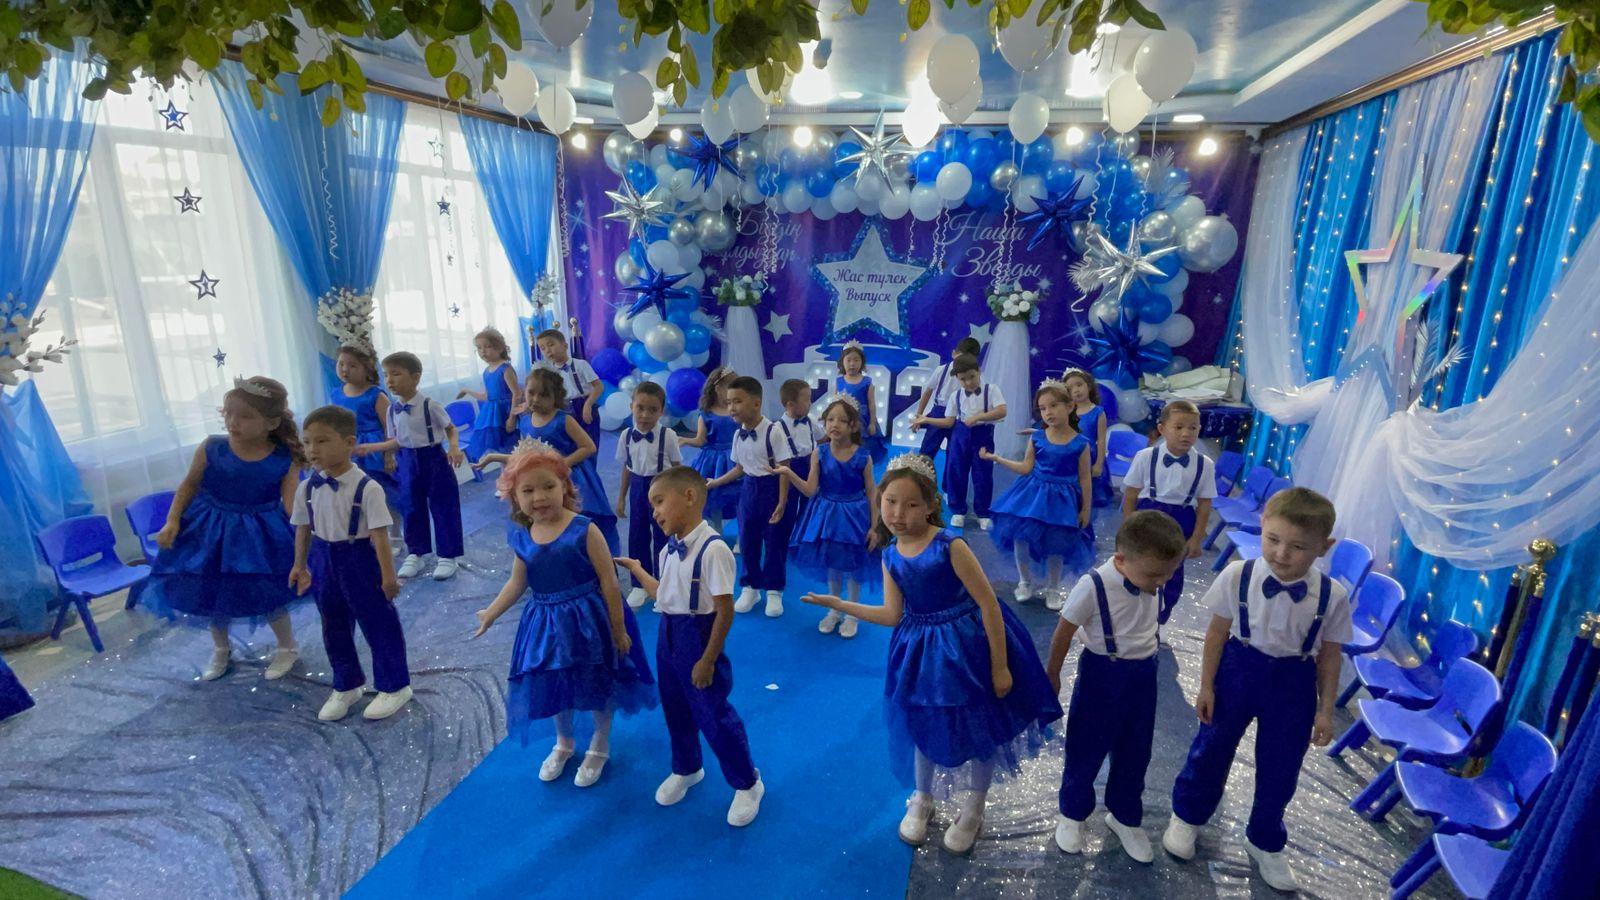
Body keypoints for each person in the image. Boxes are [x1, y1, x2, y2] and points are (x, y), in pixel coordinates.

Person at [801, 454, 1062, 855]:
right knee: (922, 720)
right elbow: (892, 614)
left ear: (930, 506)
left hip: (967, 645)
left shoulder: (949, 546)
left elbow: (988, 604)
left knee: (979, 724)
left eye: (910, 504)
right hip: (920, 650)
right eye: (890, 502)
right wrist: (840, 604)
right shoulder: (890, 553)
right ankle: (923, 797)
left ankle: (974, 807)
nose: (897, 513)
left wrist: (999, 665)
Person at [1163, 487, 1351, 893]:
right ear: (1262, 526)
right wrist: (1206, 685)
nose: (1282, 553)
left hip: (1294, 681)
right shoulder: (1238, 575)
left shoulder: (1332, 596)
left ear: (1324, 547)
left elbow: (1330, 657)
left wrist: (1325, 709)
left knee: (1281, 765)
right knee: (1211, 747)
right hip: (1239, 668)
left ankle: (1265, 838)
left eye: (1298, 546)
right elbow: (1216, 634)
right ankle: (1188, 815)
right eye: (1273, 539)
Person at [473, 439, 656, 786]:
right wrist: (491, 612)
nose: (539, 497)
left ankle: (600, 742)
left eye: (548, 486)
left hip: (590, 620)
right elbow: (517, 582)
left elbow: (609, 580)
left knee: (597, 681)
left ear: (565, 487)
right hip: (545, 624)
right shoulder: (523, 535)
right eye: (528, 490)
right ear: (515, 497)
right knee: (556, 683)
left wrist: (617, 628)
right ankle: (564, 741)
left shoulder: (584, 529)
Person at [616, 466, 765, 828]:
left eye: (659, 502)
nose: (654, 512)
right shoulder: (668, 551)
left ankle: (748, 782)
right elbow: (664, 595)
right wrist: (638, 570)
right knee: (675, 708)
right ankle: (687, 767)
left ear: (689, 496)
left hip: (698, 637)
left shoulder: (713, 550)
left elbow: (724, 611)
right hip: (668, 633)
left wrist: (708, 659)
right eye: (651, 505)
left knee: (713, 713)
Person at [1046, 511, 1187, 861]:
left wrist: (1158, 578)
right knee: (1086, 747)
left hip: (1144, 676)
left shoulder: (1152, 576)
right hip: (1102, 675)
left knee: (1136, 751)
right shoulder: (1092, 586)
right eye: (1155, 575)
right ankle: (1073, 813)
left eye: (1169, 574)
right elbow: (1064, 631)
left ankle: (1124, 815)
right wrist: (1053, 674)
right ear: (1121, 560)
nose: (1162, 582)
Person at [141, 376, 303, 682]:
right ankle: (221, 648)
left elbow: (292, 504)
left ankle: (287, 647)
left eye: (245, 416)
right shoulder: (211, 447)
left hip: (259, 535)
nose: (233, 422)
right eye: (228, 413)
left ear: (271, 423)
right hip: (209, 531)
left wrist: (307, 536)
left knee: (268, 591)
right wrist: (172, 520)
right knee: (213, 591)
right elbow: (188, 486)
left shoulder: (285, 458)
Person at [288, 406, 412, 721]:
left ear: (349, 443)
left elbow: (380, 536)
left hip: (358, 559)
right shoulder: (307, 487)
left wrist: (388, 577)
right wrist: (299, 565)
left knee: (377, 622)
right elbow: (303, 528)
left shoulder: (367, 488)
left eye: (322, 441)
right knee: (333, 624)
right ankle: (347, 684)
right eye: (307, 442)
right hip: (322, 558)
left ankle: (395, 685)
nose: (312, 450)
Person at [774, 393, 880, 639]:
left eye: (842, 420)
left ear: (853, 425)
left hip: (855, 516)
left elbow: (871, 492)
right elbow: (810, 490)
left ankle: (852, 613)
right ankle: (834, 609)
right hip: (827, 516)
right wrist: (788, 473)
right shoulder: (819, 453)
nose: (834, 424)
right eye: (830, 419)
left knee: (854, 565)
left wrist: (874, 526)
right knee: (833, 565)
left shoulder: (863, 456)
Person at [482, 368, 620, 554]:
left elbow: (588, 447)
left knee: (573, 517)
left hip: (571, 477)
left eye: (544, 395)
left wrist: (563, 464)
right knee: (543, 514)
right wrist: (496, 458)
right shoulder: (525, 420)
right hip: (540, 478)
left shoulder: (563, 420)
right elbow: (527, 454)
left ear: (556, 397)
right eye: (531, 393)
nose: (536, 399)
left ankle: (586, 552)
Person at [985, 379, 1095, 609]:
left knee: (1056, 544)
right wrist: (998, 459)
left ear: (1070, 406)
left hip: (1062, 501)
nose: (1048, 413)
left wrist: (1085, 508)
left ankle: (1053, 588)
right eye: (1043, 408)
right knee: (1020, 537)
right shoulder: (1037, 438)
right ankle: (1024, 581)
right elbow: (1026, 467)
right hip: (1032, 495)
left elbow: (1085, 478)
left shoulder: (1081, 444)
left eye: (1054, 406)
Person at [369, 352, 465, 581]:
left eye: (396, 374)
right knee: (411, 506)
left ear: (415, 378)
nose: (389, 380)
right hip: (406, 460)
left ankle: (448, 555)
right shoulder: (392, 410)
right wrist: (374, 449)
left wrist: (453, 447)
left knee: (443, 505)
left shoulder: (430, 405)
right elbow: (395, 440)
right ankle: (416, 552)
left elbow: (451, 428)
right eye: (386, 375)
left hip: (433, 458)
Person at [1120, 400, 1215, 626]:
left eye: (1193, 428)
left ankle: (1160, 619)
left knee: (1172, 573)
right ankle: (1130, 613)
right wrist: (1128, 528)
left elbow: (1204, 504)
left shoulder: (1205, 464)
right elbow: (1131, 495)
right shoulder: (1145, 457)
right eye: (1179, 427)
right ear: (1162, 429)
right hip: (1147, 515)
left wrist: (1196, 538)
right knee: (1138, 564)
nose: (1186, 434)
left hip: (1182, 519)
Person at [706, 376, 793, 617]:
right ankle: (750, 587)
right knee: (747, 540)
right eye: (729, 402)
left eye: (737, 401)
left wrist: (782, 502)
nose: (731, 408)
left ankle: (774, 590)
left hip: (772, 489)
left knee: (774, 542)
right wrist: (716, 482)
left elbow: (784, 468)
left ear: (756, 403)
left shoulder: (774, 432)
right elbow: (739, 468)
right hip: (748, 491)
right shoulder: (737, 435)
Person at [913, 357, 1006, 530]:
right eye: (963, 379)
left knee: (983, 475)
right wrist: (926, 419)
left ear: (979, 372)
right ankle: (958, 510)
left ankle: (983, 512)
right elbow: (949, 422)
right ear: (957, 378)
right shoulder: (955, 396)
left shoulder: (991, 390)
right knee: (956, 472)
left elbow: (1002, 411)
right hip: (960, 436)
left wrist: (978, 417)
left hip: (983, 436)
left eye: (972, 377)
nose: (968, 382)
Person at [615, 382, 681, 609]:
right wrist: (621, 498)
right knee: (637, 535)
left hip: (662, 490)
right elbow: (627, 468)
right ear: (631, 407)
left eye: (652, 410)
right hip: (637, 488)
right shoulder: (626, 435)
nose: (645, 415)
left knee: (664, 537)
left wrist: (677, 498)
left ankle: (664, 585)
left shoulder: (668, 436)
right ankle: (639, 584)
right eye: (640, 408)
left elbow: (677, 468)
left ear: (661, 412)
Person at [329, 344, 404, 523]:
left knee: (383, 492)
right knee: (355, 492)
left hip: (374, 450)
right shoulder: (336, 394)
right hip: (349, 448)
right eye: (341, 364)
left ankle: (394, 531)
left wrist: (389, 455)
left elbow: (390, 428)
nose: (345, 369)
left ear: (367, 369)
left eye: (352, 365)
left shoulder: (375, 395)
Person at [681, 367, 740, 529]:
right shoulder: (706, 414)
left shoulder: (737, 411)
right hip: (712, 461)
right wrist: (685, 440)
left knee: (738, 494)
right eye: (730, 387)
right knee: (713, 497)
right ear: (718, 388)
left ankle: (741, 535)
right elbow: (700, 440)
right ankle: (716, 530)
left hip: (735, 458)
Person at [456, 326, 521, 462]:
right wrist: (467, 390)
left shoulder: (505, 369)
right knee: (501, 450)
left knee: (512, 449)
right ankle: (506, 473)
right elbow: (487, 396)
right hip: (493, 415)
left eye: (487, 347)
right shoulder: (486, 371)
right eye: (479, 348)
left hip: (506, 412)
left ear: (500, 348)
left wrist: (512, 418)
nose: (483, 351)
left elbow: (517, 393)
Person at [911, 337, 982, 461]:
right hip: (939, 412)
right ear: (954, 353)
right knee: (926, 452)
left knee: (955, 456)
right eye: (961, 358)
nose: (963, 363)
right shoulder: (941, 370)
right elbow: (927, 392)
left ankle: (950, 474)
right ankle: (921, 473)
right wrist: (919, 415)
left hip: (960, 416)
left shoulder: (974, 376)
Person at [772, 378, 818, 556]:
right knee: (787, 507)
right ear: (790, 404)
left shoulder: (811, 421)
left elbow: (823, 438)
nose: (810, 403)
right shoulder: (777, 428)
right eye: (806, 400)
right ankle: (782, 541)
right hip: (789, 470)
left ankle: (802, 541)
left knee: (810, 507)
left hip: (811, 467)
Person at [534, 328, 603, 446]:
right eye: (543, 348)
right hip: (563, 408)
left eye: (551, 345)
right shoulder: (549, 372)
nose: (548, 350)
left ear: (565, 346)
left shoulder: (581, 364)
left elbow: (598, 386)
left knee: (590, 441)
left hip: (583, 405)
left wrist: (588, 405)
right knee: (568, 443)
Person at [1062, 369, 1113, 508]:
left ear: (1088, 385)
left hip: (1091, 456)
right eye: (1070, 389)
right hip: (1071, 456)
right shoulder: (1067, 412)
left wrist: (1098, 464)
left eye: (1079, 385)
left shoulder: (1098, 412)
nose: (1076, 390)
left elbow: (1101, 440)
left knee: (1090, 497)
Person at [834, 341, 887, 462]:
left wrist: (872, 423)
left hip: (863, 419)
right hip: (845, 418)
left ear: (862, 362)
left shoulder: (867, 382)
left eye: (856, 360)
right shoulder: (839, 381)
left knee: (864, 443)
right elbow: (834, 403)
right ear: (842, 362)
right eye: (848, 360)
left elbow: (871, 404)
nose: (852, 364)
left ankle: (865, 462)